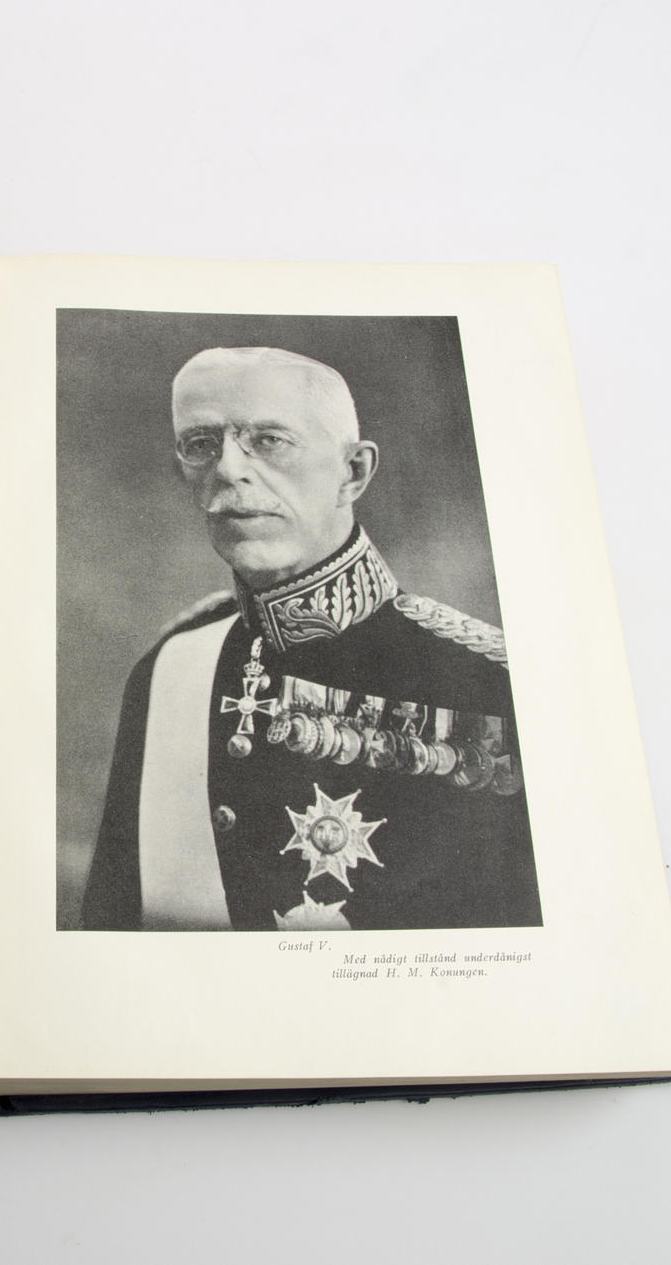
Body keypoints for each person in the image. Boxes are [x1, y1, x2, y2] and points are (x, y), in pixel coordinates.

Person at [81, 347, 541, 931]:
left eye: (269, 440)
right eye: (201, 443)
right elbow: (113, 932)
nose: (228, 469)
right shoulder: (171, 667)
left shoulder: (489, 681)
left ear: (353, 472)